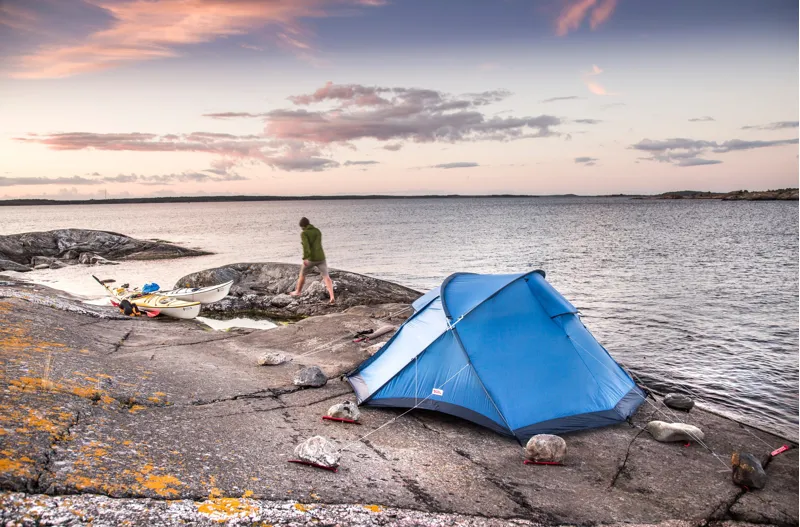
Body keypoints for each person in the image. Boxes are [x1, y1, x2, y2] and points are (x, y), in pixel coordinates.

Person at [290, 217, 335, 304]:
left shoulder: (304, 233)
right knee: (326, 276)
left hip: (311, 258)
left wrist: (305, 258)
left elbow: (306, 246)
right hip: (321, 257)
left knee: (302, 274)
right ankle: (332, 297)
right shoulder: (317, 231)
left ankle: (298, 291)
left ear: (303, 226)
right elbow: (317, 244)